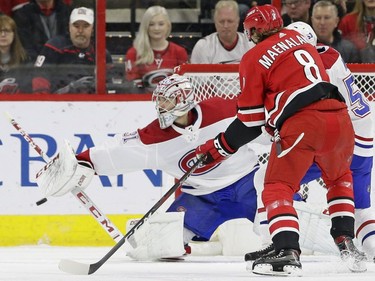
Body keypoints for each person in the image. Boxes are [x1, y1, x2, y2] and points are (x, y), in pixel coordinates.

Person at [195, 4, 366, 276]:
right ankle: (346, 241)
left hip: (303, 123)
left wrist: (218, 147)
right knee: (339, 178)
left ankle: (287, 249)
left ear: (252, 31)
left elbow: (250, 122)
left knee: (276, 185)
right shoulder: (301, 41)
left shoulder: (252, 58)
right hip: (341, 119)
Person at [35, 74, 263, 260]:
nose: (160, 106)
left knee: (280, 229)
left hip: (248, 183)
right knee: (160, 246)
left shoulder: (221, 110)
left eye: (166, 100)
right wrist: (80, 162)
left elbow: (263, 126)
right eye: (159, 100)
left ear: (183, 101)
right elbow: (115, 151)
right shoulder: (154, 137)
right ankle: (208, 247)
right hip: (202, 198)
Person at [246, 21, 375, 263]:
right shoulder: (330, 55)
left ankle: (277, 243)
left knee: (269, 180)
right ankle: (350, 246)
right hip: (360, 138)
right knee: (360, 207)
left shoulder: (299, 67)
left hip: (327, 134)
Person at [32, 7, 113, 94]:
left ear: (92, 29)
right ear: (69, 27)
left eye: (85, 26)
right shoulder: (54, 47)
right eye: (76, 26)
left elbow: (109, 88)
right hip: (57, 104)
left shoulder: (102, 54)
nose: (80, 31)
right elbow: (39, 77)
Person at [125, 6, 188, 90]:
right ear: (146, 27)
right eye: (151, 24)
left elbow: (184, 85)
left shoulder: (179, 52)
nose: (156, 28)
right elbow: (132, 86)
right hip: (140, 101)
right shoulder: (134, 53)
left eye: (161, 24)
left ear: (168, 26)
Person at [0, 14, 32, 93]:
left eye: (7, 31)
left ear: (14, 34)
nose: (3, 35)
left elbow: (28, 85)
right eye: (0, 31)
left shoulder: (25, 59)